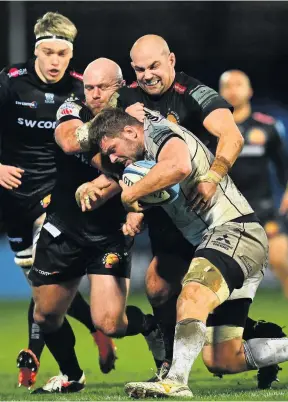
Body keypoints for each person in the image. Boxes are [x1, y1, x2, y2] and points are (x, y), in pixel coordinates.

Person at [89, 107, 288, 398]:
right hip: (227, 242)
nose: (113, 158)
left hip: (234, 231)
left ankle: (175, 379)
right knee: (223, 358)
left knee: (192, 292)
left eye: (113, 150)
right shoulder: (143, 154)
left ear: (130, 131)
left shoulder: (160, 135)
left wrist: (130, 194)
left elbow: (178, 166)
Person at [115, 34, 286, 389]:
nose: (147, 75)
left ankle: (176, 376)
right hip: (166, 211)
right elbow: (122, 151)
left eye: (154, 66)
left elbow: (232, 137)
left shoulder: (194, 92)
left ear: (172, 60)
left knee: (184, 292)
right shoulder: (127, 98)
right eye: (139, 69)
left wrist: (212, 176)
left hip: (203, 205)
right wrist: (132, 200)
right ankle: (173, 367)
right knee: (161, 289)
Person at [0, 12, 116, 389]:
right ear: (36, 51)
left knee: (43, 275)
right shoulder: (10, 83)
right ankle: (94, 332)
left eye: (62, 55)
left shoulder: (83, 89)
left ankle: (36, 352)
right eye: (47, 52)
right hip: (13, 198)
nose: (54, 62)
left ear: (71, 55)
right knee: (43, 289)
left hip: (57, 195)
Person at [29, 58, 159, 394]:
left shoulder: (137, 118)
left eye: (103, 87)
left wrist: (130, 203)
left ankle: (151, 327)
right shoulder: (71, 108)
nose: (95, 94)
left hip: (108, 234)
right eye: (89, 87)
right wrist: (116, 174)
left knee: (109, 323)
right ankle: (72, 375)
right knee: (45, 316)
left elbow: (145, 166)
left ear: (121, 86)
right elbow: (71, 141)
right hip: (64, 228)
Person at [219, 69, 288, 335]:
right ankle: (223, 331)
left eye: (238, 84)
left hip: (263, 210)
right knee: (225, 275)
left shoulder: (266, 127)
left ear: (250, 91)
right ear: (220, 94)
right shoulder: (212, 129)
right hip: (225, 215)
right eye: (227, 86)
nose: (233, 89)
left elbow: (285, 164)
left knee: (281, 262)